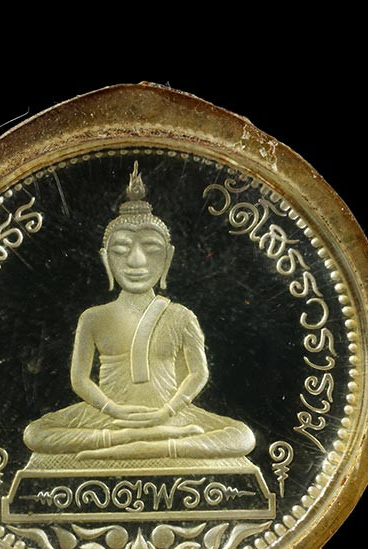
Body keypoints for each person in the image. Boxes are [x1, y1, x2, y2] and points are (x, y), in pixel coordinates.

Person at [24, 162, 255, 461]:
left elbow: (199, 373)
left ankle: (155, 445)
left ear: (168, 258)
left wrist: (167, 411)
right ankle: (129, 439)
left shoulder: (181, 316)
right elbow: (79, 380)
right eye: (121, 250)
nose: (136, 261)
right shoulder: (93, 317)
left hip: (171, 416)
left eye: (151, 249)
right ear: (106, 260)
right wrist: (113, 410)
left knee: (242, 435)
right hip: (107, 418)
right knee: (35, 433)